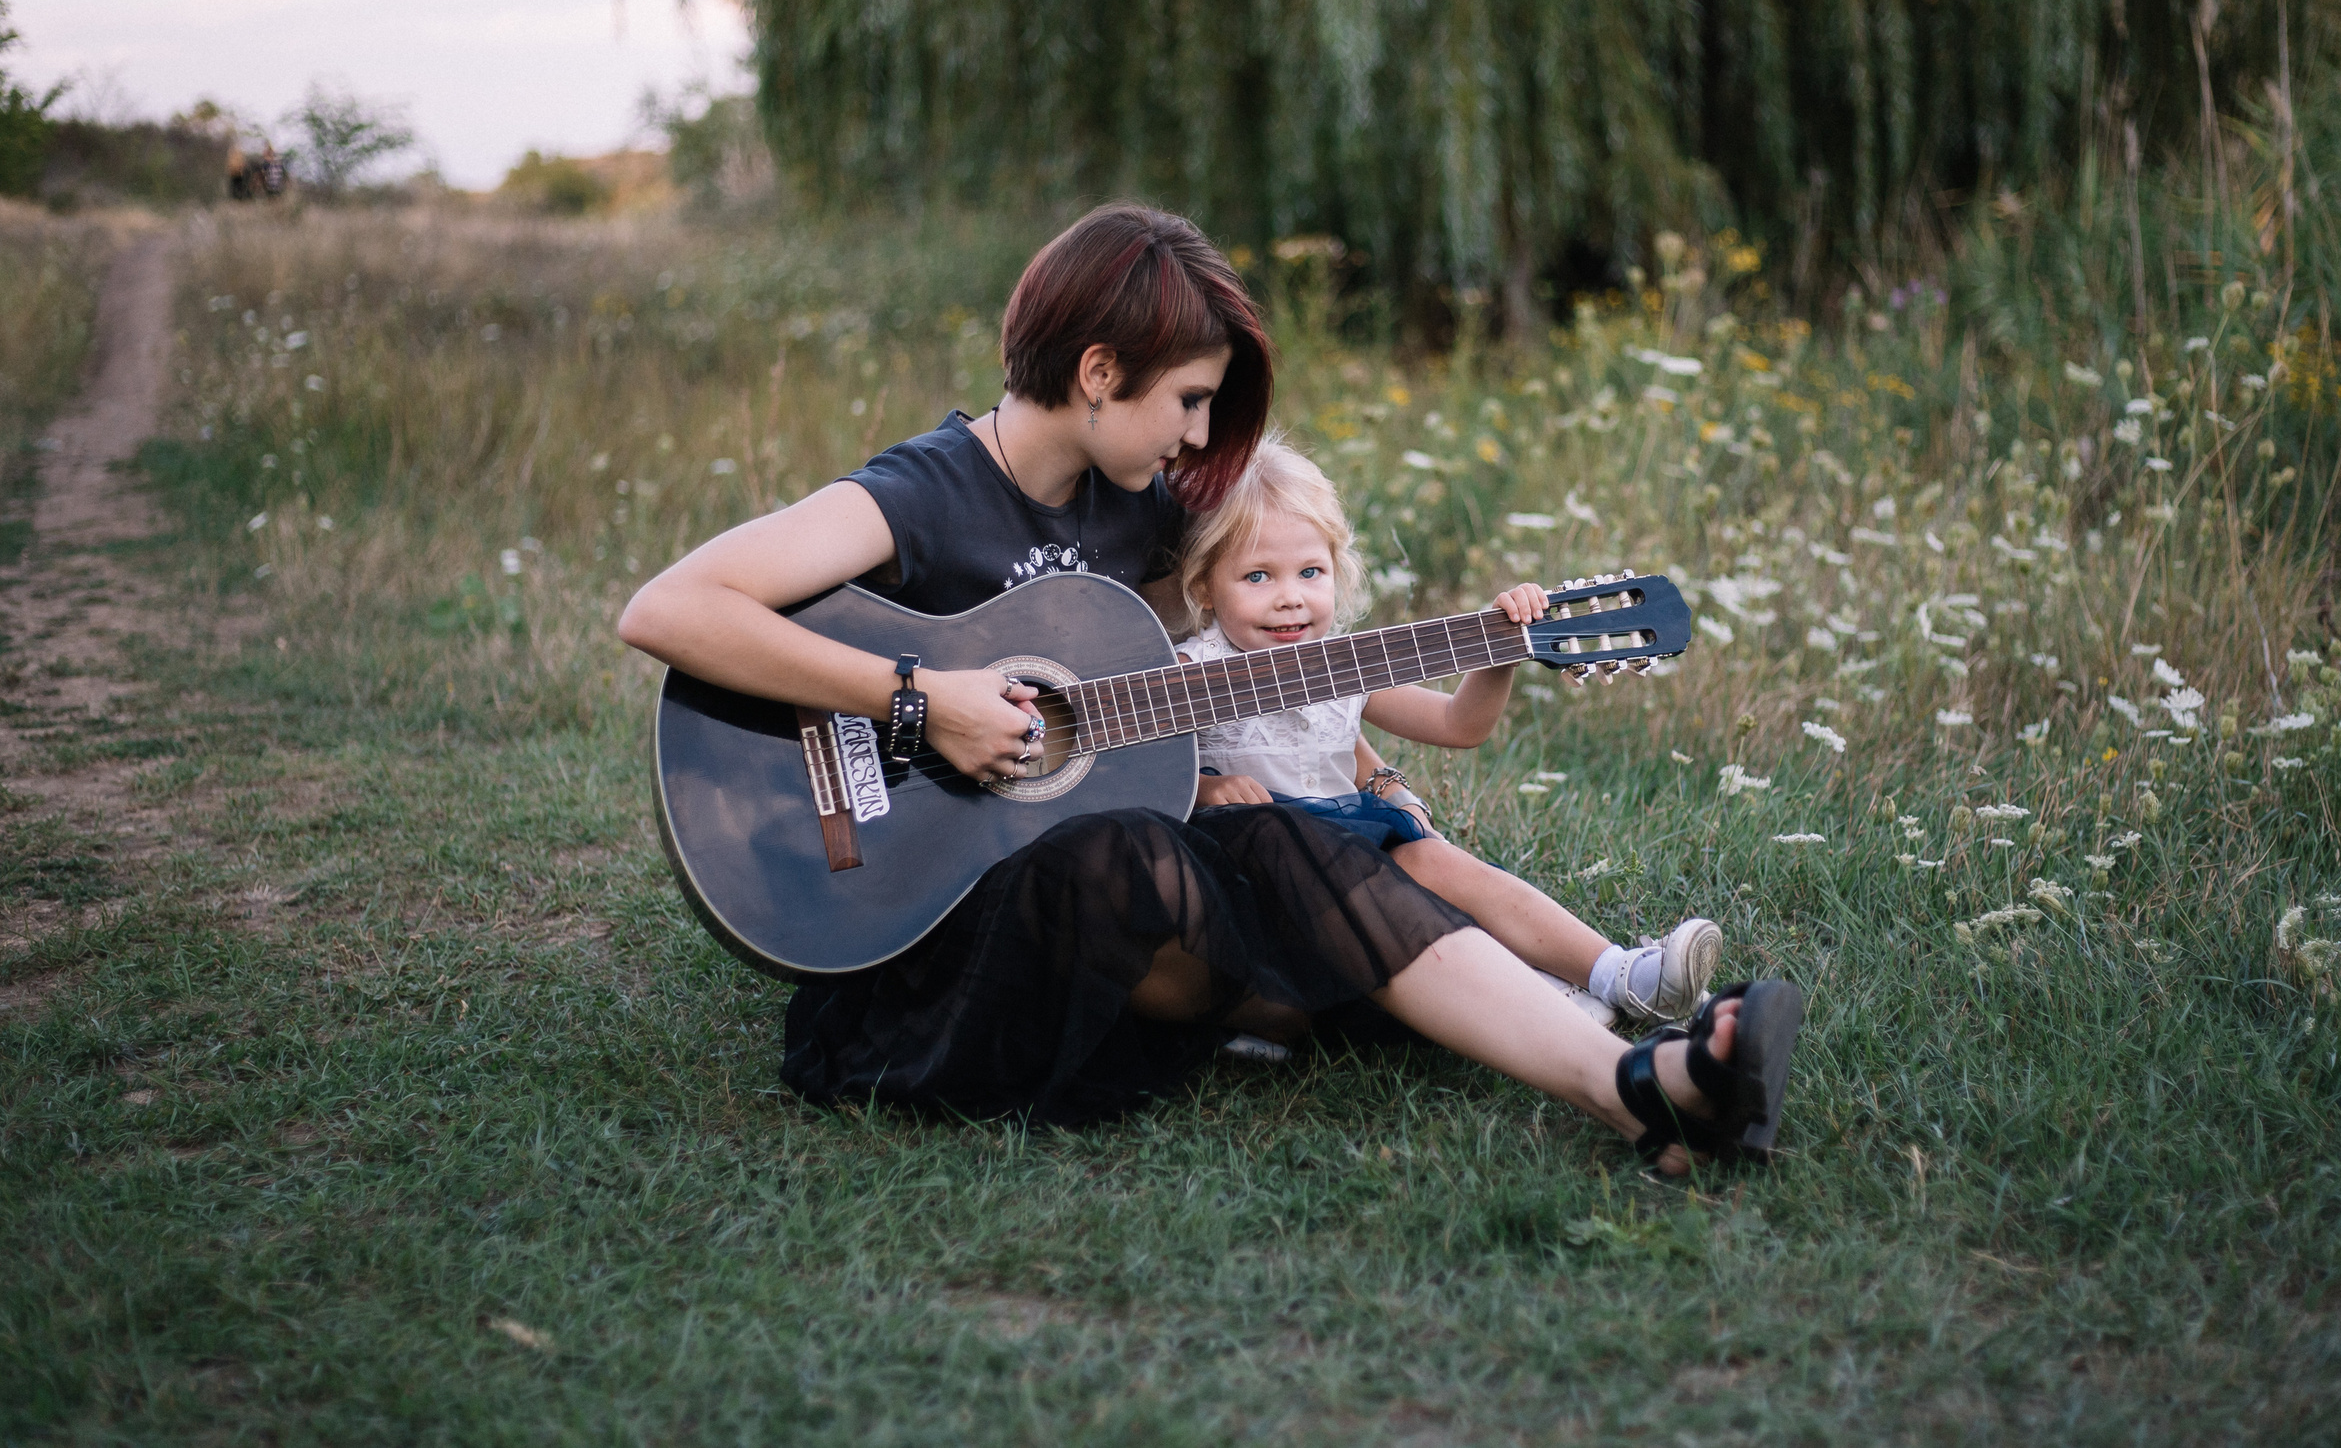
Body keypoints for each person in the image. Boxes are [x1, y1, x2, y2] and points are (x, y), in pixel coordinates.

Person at [615, 203, 1802, 1173]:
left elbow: (1263, 659)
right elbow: (670, 609)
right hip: (925, 930)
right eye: (1188, 400)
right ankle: (1442, 1010)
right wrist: (922, 701)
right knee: (1130, 849)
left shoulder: (1142, 510)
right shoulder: (926, 493)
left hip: (1119, 912)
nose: (1197, 439)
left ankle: (1637, 1083)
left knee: (1279, 836)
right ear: (1097, 371)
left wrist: (1382, 763)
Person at [1174, 435, 1723, 1046]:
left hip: (1351, 863)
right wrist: (1205, 788)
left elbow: (1459, 726)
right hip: (1255, 883)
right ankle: (1534, 989)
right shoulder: (1184, 671)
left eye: (1311, 572)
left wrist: (1500, 654)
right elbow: (1132, 772)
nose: (1290, 597)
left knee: (1434, 864)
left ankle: (1620, 973)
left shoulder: (1344, 664)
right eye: (1258, 576)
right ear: (1204, 587)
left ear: (1336, 570)